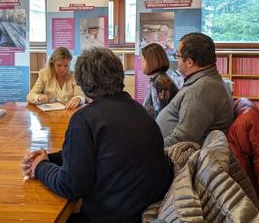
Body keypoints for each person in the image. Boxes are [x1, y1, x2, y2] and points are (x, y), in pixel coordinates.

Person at [22, 48, 173, 223]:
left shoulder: (85, 119)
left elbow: (69, 185)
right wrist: (49, 157)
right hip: (142, 207)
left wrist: (40, 167)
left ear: (82, 82)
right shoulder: (136, 109)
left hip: (113, 215)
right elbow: (98, 153)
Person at [156, 32, 233, 147]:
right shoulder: (207, 81)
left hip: (171, 158)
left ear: (189, 62)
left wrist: (151, 150)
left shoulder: (202, 90)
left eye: (178, 56)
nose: (177, 60)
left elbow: (183, 139)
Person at [141, 43, 179, 119]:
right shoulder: (159, 79)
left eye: (143, 60)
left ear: (151, 61)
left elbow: (159, 115)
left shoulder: (160, 83)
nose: (141, 63)